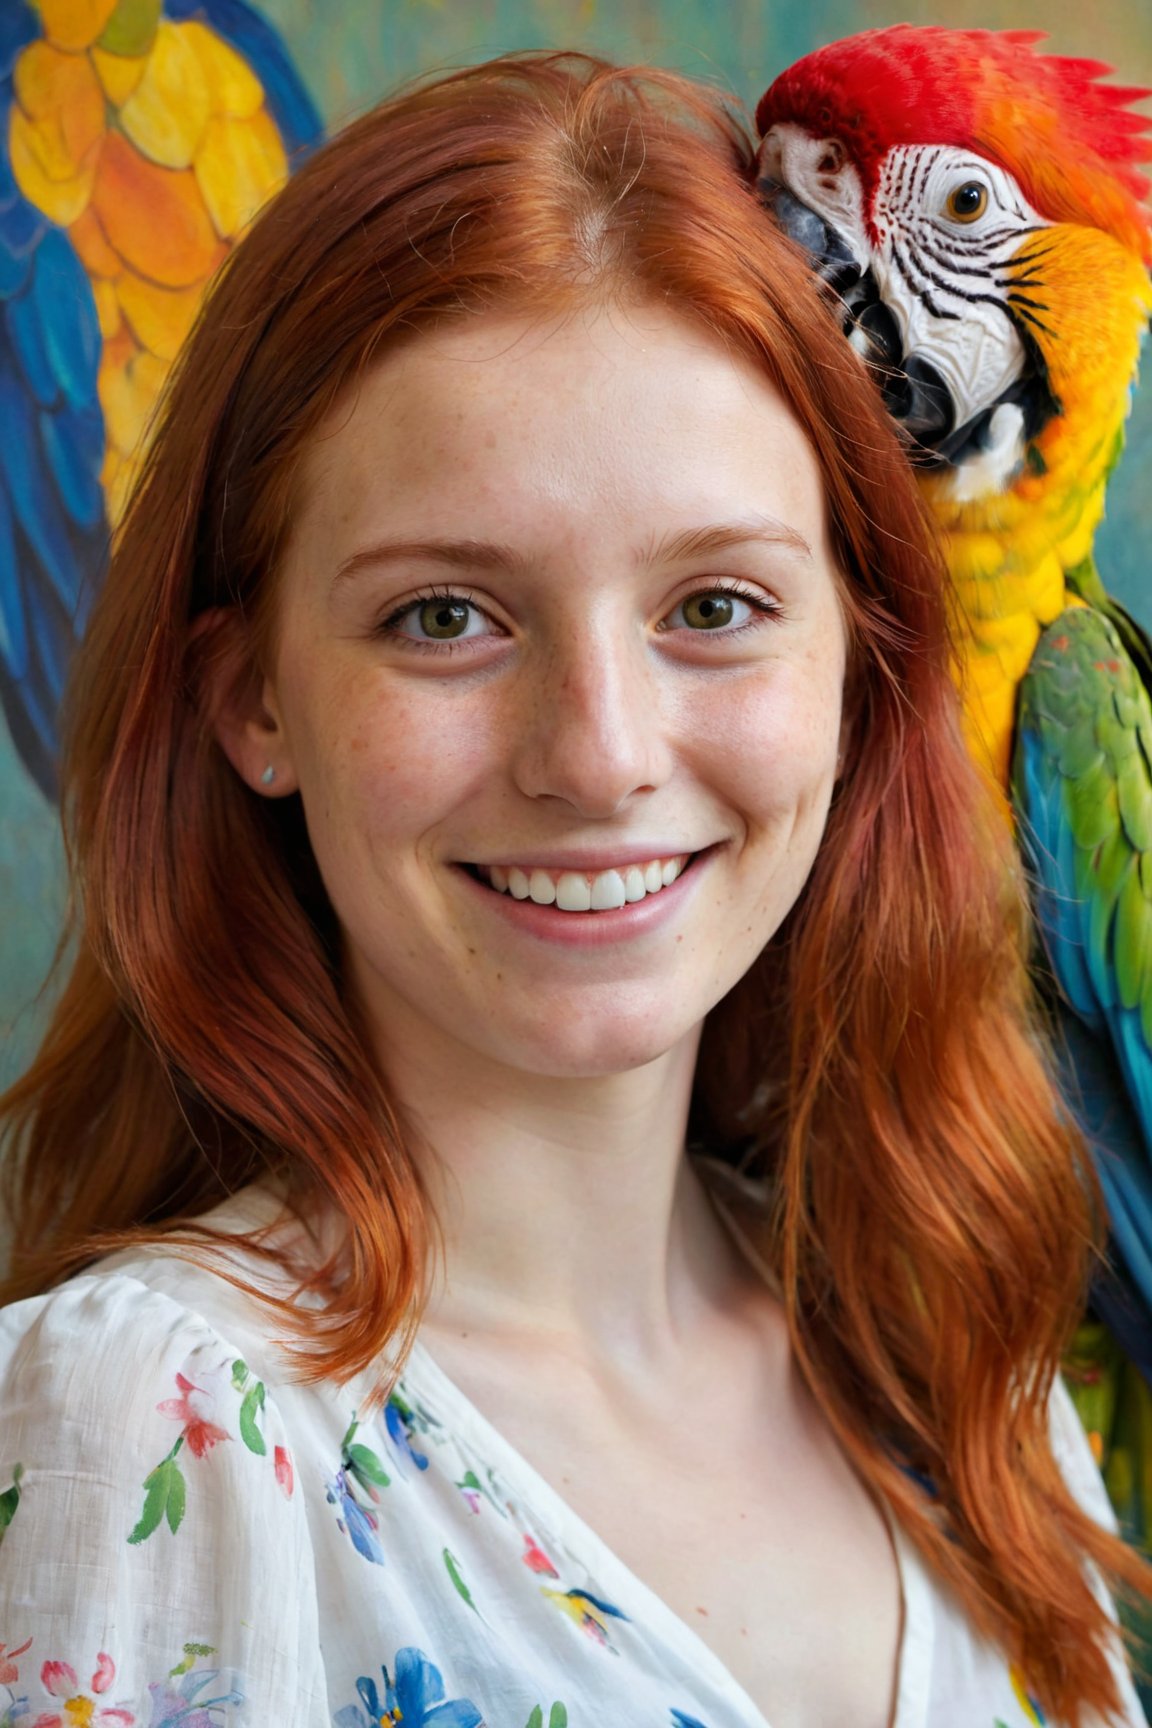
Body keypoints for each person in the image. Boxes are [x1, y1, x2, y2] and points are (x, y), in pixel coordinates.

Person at [0, 51, 1146, 1728]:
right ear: (255, 703)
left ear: (857, 667)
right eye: (446, 617)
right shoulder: (142, 1419)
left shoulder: (966, 1376)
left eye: (716, 606)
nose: (599, 757)